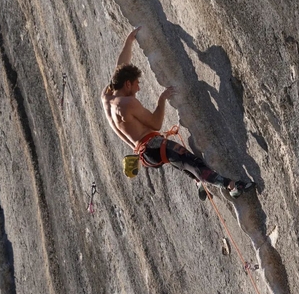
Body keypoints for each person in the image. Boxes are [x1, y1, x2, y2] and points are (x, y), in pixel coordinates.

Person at [101, 27, 255, 200]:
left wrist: (129, 40)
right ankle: (231, 186)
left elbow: (119, 69)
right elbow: (155, 124)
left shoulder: (106, 97)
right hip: (154, 146)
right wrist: (162, 99)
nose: (139, 88)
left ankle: (198, 181)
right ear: (127, 84)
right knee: (192, 162)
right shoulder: (128, 103)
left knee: (180, 161)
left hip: (145, 156)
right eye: (137, 84)